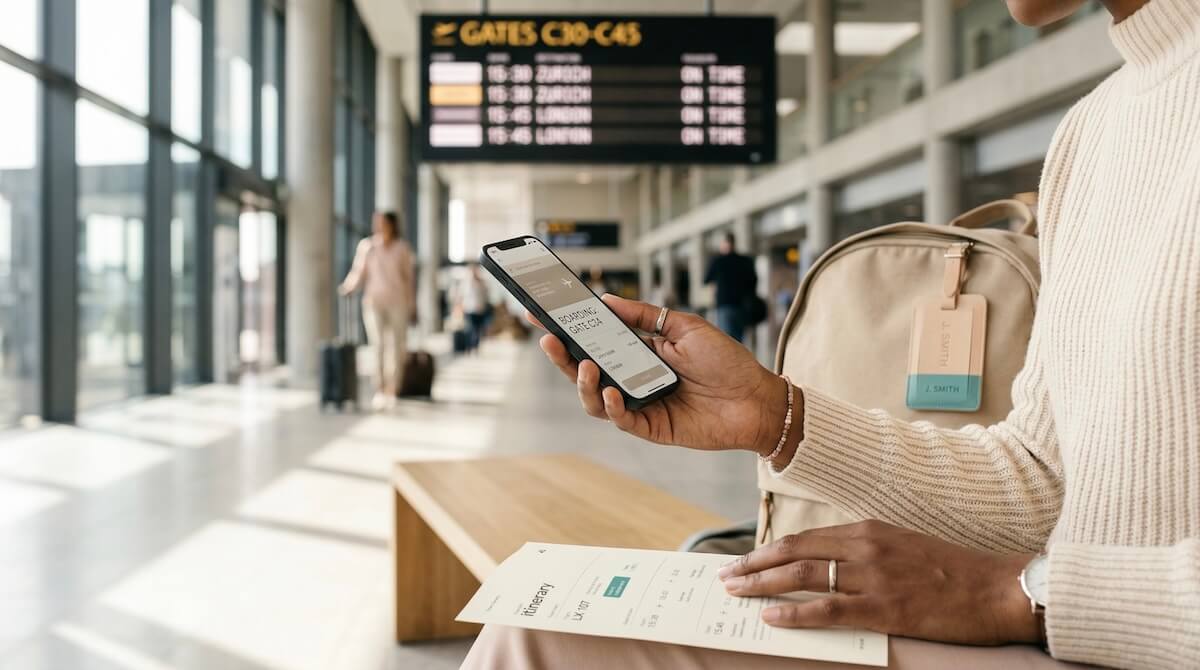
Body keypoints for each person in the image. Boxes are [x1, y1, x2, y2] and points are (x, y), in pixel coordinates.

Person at [464, 0, 1200, 668]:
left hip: (1102, 633)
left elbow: (1026, 577)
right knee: (534, 626)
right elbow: (1040, 482)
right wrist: (773, 415)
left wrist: (1019, 595)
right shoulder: (1094, 128)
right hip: (1074, 633)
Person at [338, 211, 414, 410]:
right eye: (376, 222)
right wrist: (348, 287)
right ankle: (380, 389)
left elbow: (408, 279)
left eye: (382, 222)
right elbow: (358, 272)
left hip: (398, 303)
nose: (378, 226)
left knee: (396, 347)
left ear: (392, 225)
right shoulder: (367, 246)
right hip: (373, 303)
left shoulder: (402, 248)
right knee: (378, 345)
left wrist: (412, 305)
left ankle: (393, 389)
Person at [703, 231, 757, 343]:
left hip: (724, 305)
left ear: (724, 244)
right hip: (741, 306)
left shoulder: (718, 261)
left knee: (726, 340)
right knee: (738, 341)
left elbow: (706, 280)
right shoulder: (745, 261)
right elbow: (753, 281)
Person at [457, 264, 490, 353]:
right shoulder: (466, 283)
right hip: (469, 310)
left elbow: (486, 295)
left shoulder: (482, 283)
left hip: (480, 310)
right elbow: (461, 296)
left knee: (478, 329)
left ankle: (475, 347)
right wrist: (459, 308)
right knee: (471, 329)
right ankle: (469, 347)